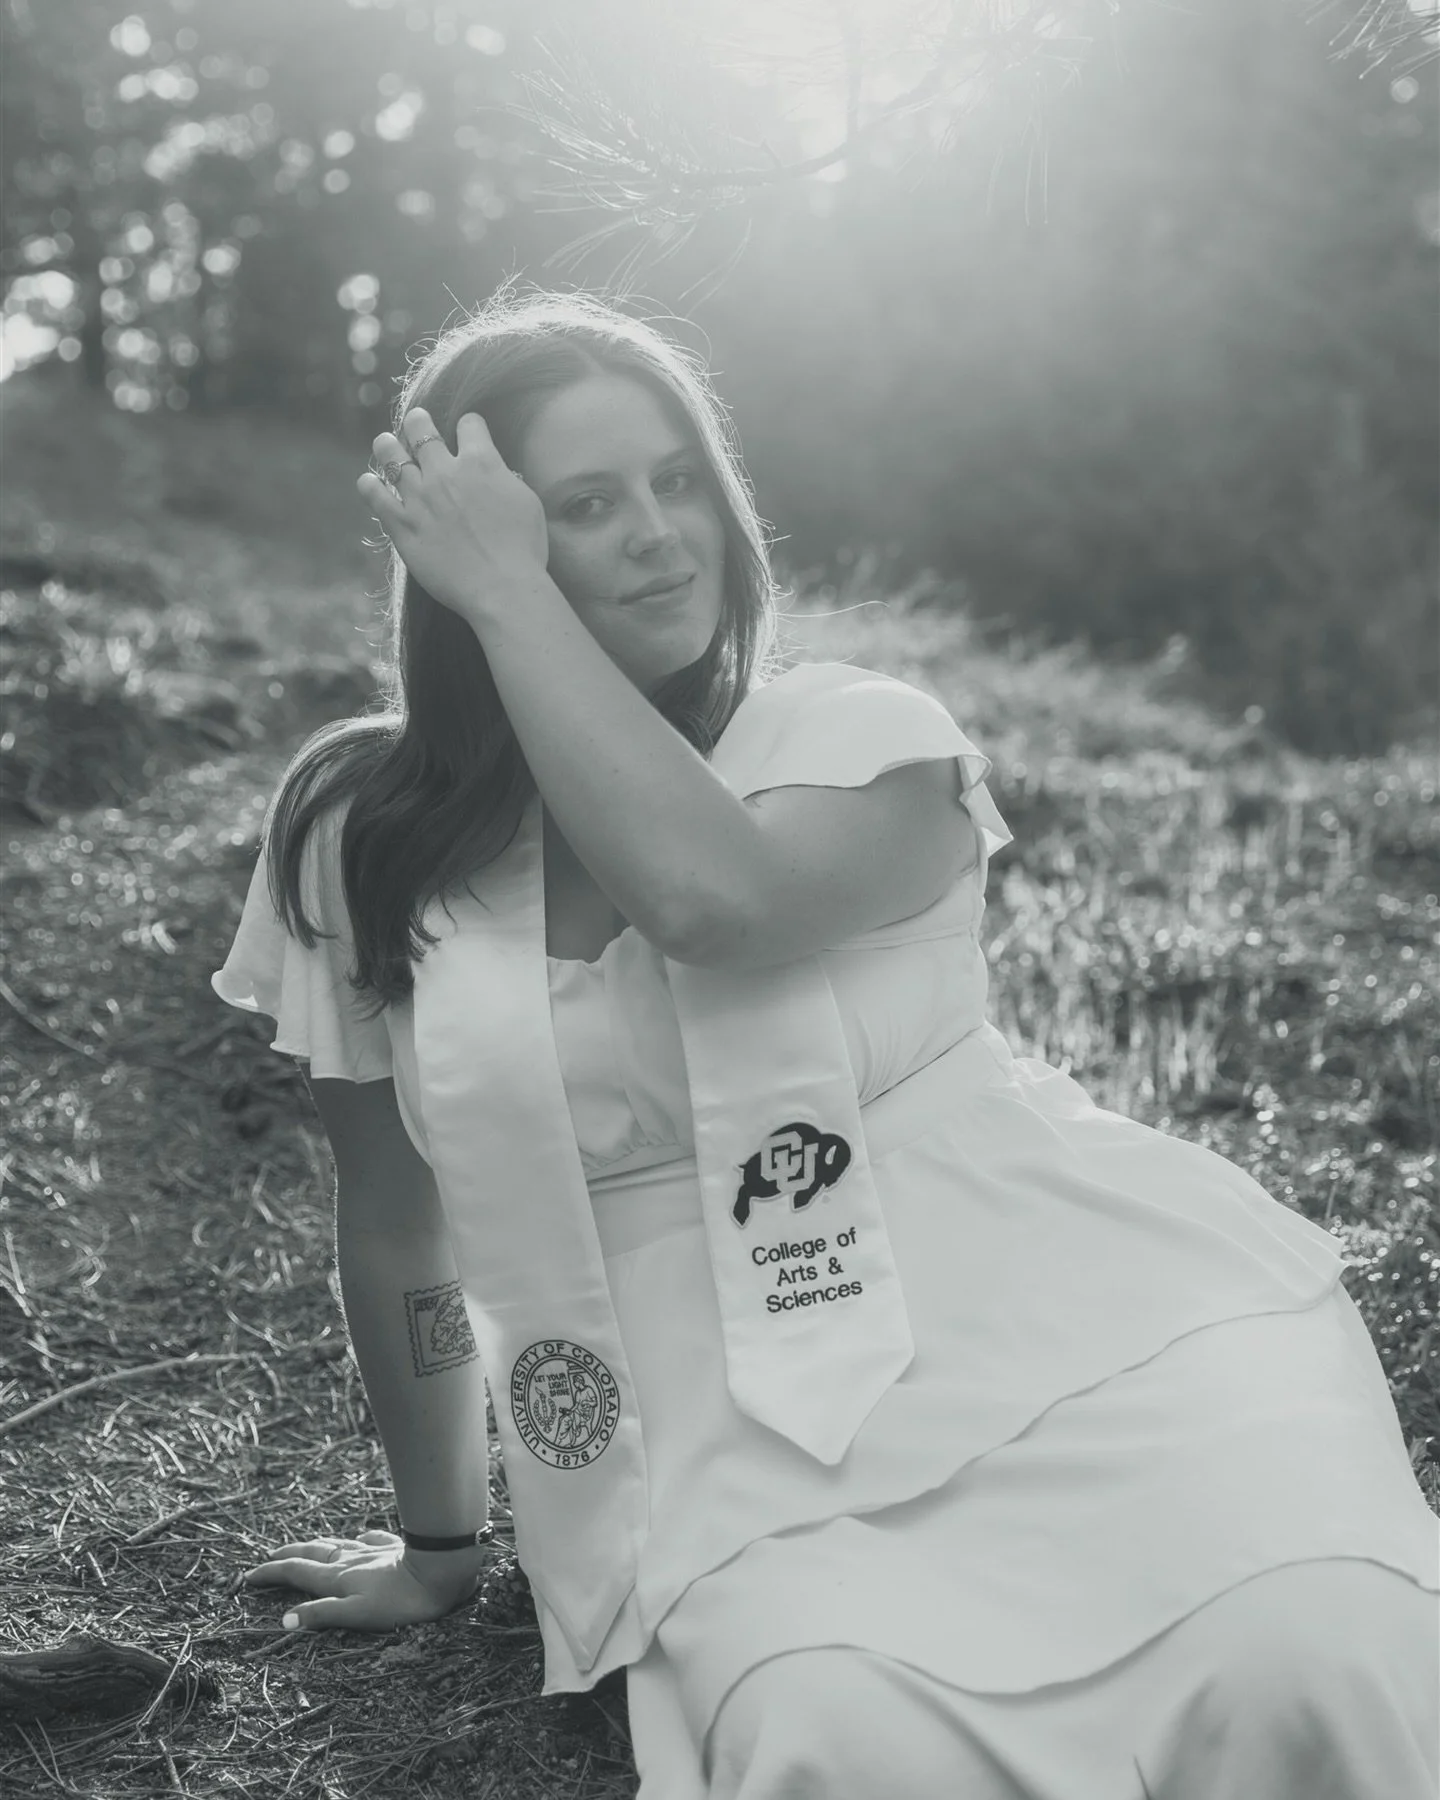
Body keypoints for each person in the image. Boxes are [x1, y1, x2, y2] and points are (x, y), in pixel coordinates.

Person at [213, 287, 1438, 1800]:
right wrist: (443, 1538)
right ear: (474, 543)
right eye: (582, 506)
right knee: (842, 1733)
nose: (662, 535)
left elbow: (711, 898)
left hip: (1077, 1328)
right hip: (721, 1437)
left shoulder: (863, 738)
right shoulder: (361, 833)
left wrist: (514, 599)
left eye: (680, 484)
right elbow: (399, 1222)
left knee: (1296, 1639)